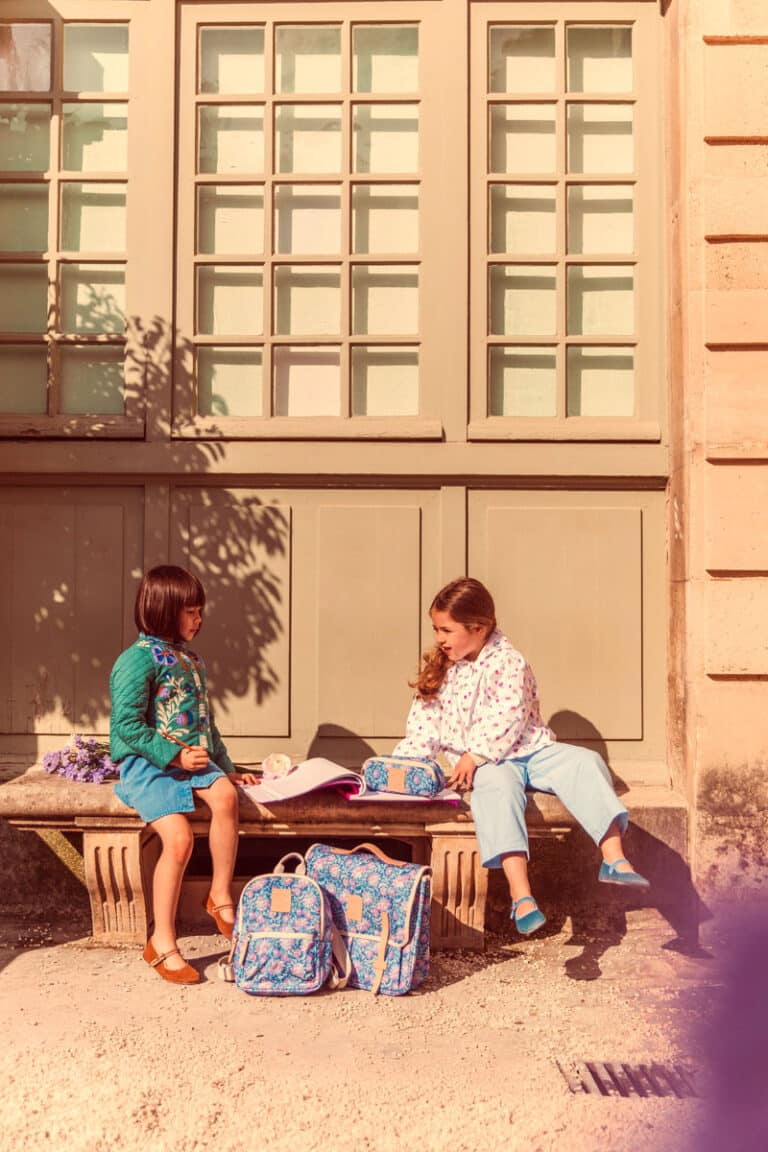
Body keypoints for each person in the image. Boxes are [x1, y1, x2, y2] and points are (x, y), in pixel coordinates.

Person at [392, 577, 649, 937]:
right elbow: (424, 726)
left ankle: (613, 857)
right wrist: (404, 765)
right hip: (492, 764)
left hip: (530, 748)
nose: (440, 638)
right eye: (436, 629)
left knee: (585, 762)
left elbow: (510, 715)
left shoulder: (509, 661)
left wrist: (475, 753)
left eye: (446, 630)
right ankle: (521, 894)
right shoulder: (444, 669)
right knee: (496, 789)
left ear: (478, 628)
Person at [110, 565, 257, 984]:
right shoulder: (135, 661)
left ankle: (220, 895)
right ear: (163, 610)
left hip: (190, 760)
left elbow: (206, 725)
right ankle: (163, 940)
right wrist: (173, 755)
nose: (198, 620)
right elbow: (126, 726)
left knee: (226, 796)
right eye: (190, 612)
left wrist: (228, 768)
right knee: (178, 839)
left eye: (199, 611)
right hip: (148, 765)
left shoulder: (191, 660)